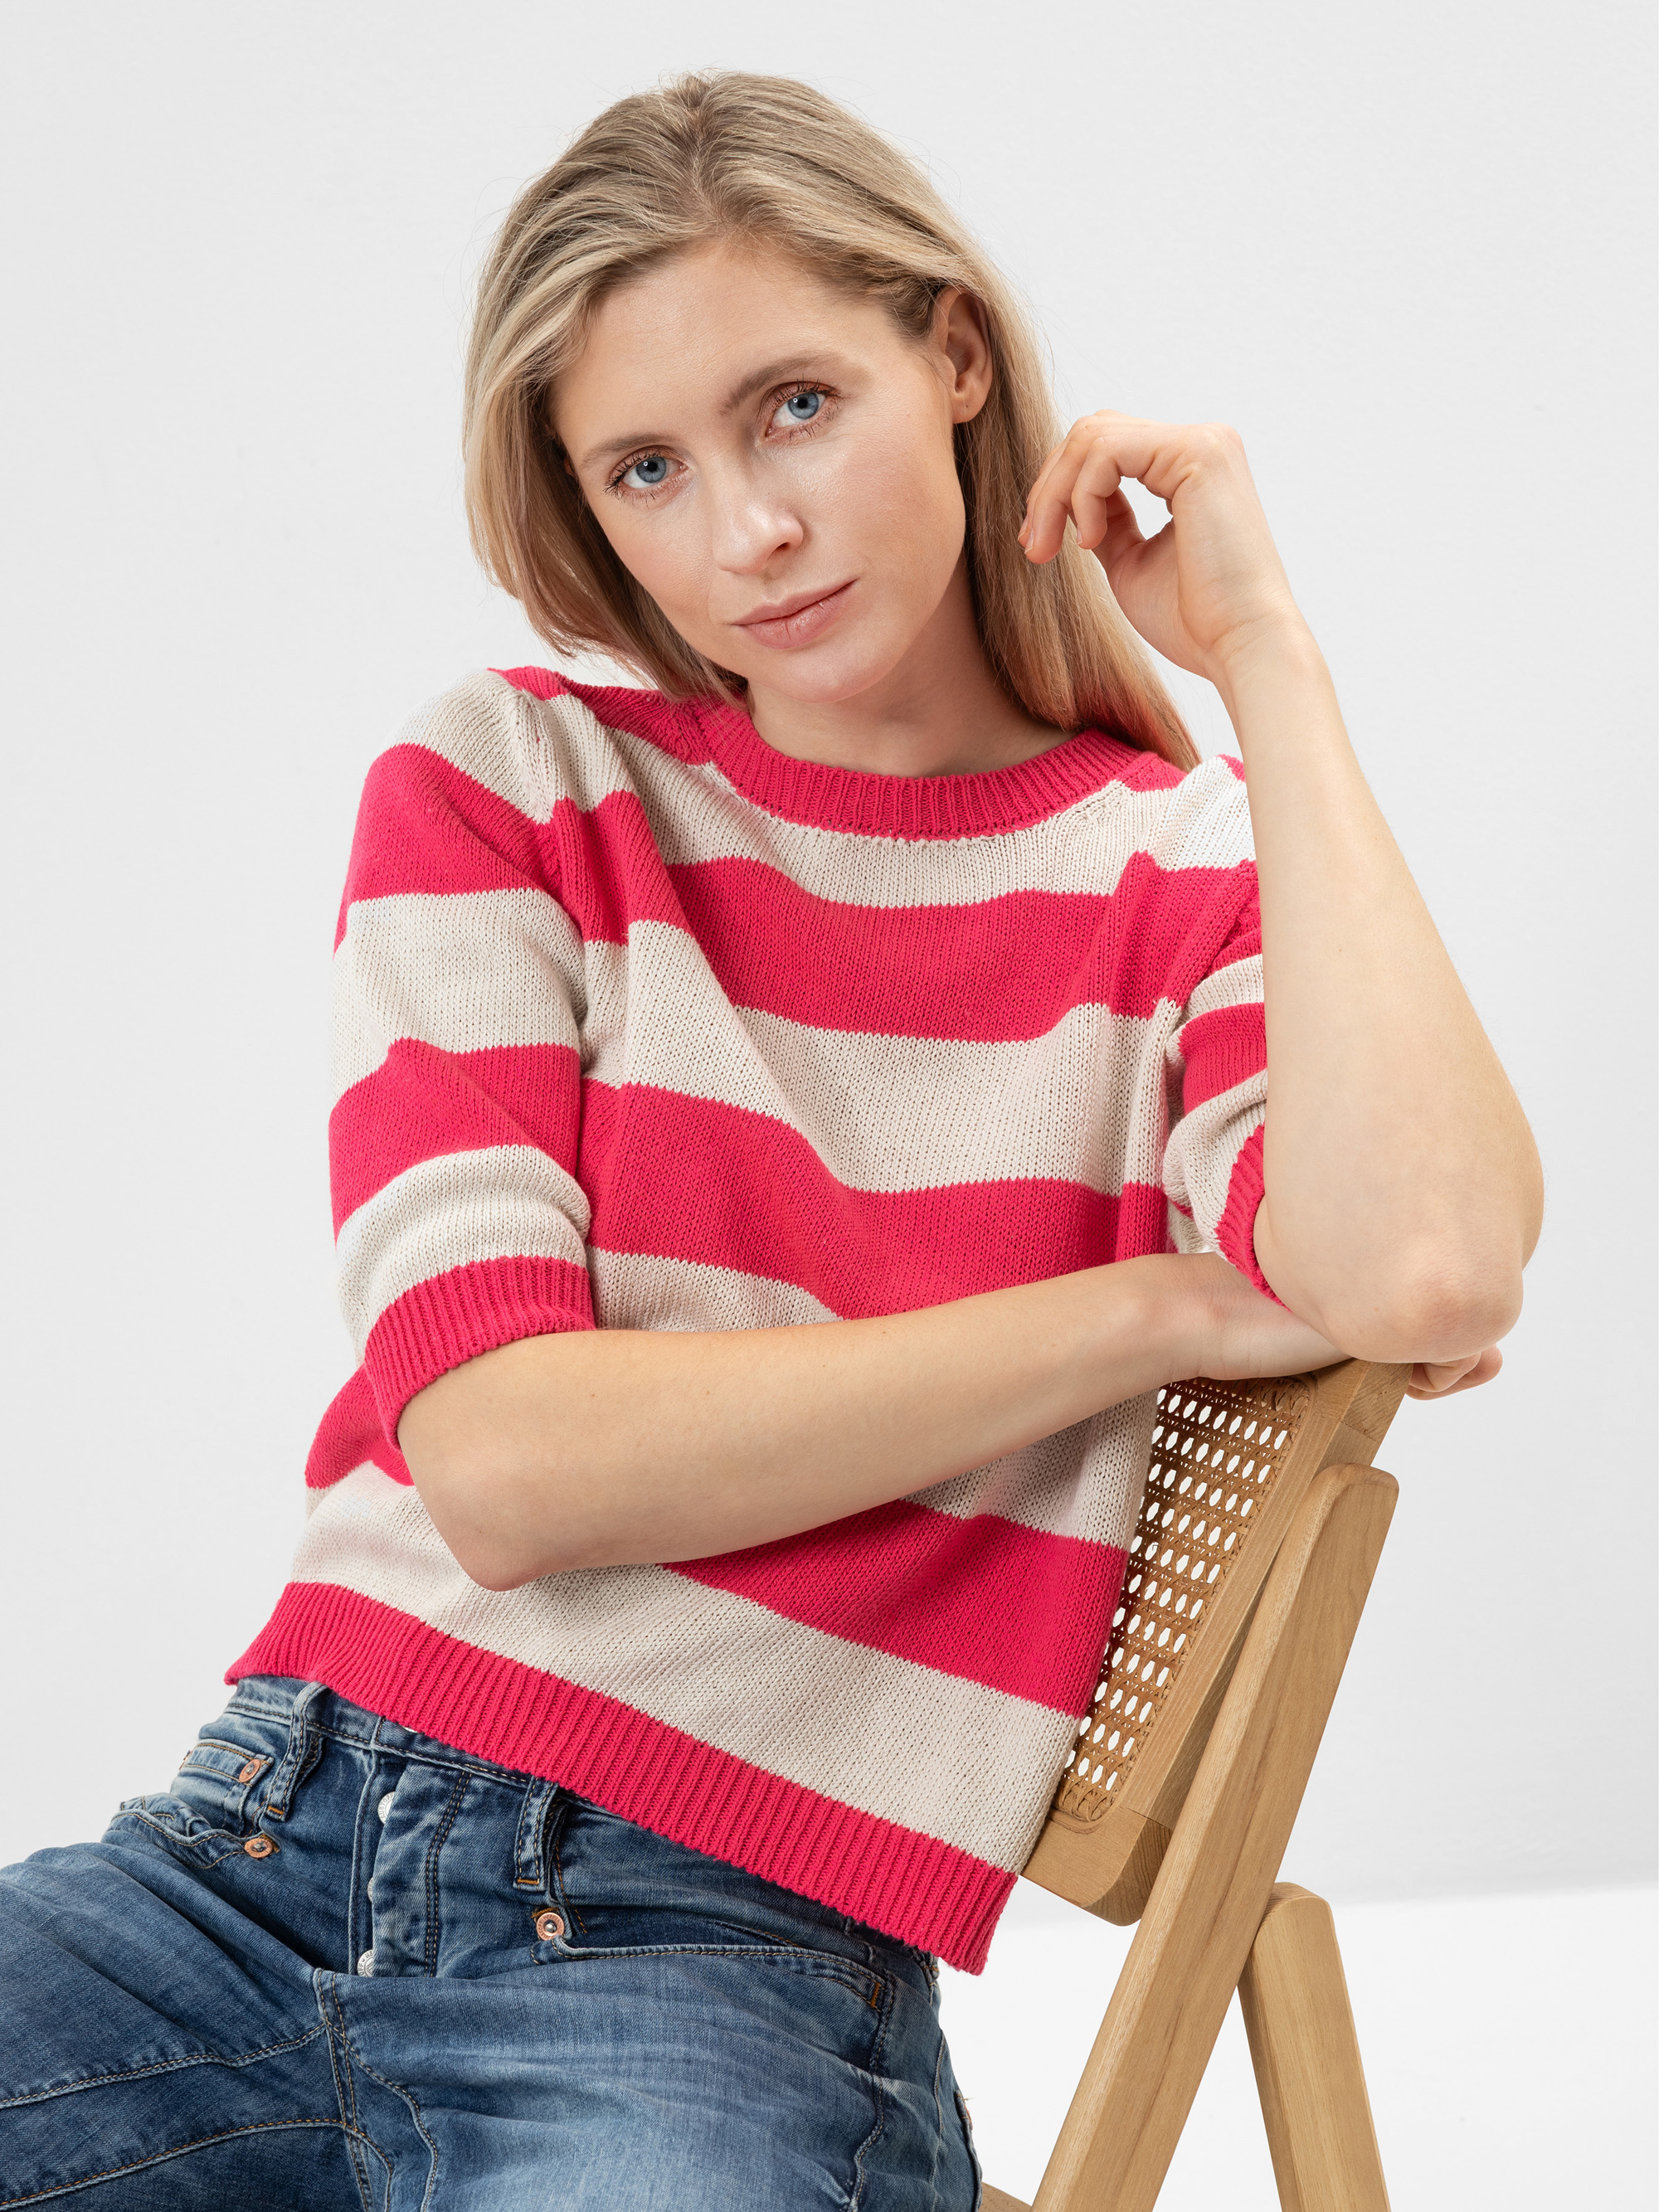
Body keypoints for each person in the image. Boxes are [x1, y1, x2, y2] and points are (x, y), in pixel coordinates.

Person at [0, 70, 1540, 2211]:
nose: (750, 532)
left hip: (715, 1956)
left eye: (796, 404)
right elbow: (514, 1463)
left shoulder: (1166, 879)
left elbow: (1439, 1261)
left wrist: (1269, 658)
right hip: (262, 1856)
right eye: (649, 466)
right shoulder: (509, 786)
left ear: (957, 352)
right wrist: (1152, 1303)